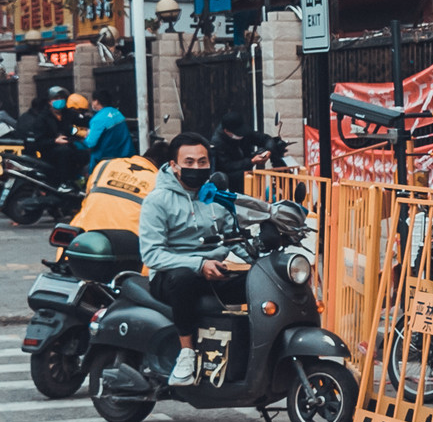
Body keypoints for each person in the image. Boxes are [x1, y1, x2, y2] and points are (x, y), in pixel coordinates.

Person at [137, 131, 242, 387]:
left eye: (202, 162)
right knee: (182, 279)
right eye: (189, 162)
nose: (197, 167)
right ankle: (186, 352)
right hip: (171, 274)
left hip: (215, 268)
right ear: (174, 166)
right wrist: (198, 264)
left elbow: (234, 232)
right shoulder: (157, 201)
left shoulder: (216, 196)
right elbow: (152, 254)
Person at [66, 139, 170, 237]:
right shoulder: (160, 182)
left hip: (80, 239)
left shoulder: (104, 165)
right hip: (129, 247)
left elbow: (87, 198)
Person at [213, 111, 276, 182]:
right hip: (231, 176)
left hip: (247, 166)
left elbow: (266, 139)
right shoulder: (218, 142)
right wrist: (251, 161)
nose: (241, 136)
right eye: (238, 133)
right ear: (226, 131)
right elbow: (226, 165)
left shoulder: (245, 132)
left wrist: (268, 151)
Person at [79, 97, 132, 170]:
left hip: (105, 160)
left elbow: (90, 143)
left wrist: (84, 138)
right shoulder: (117, 113)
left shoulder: (97, 119)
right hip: (125, 154)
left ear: (96, 101)